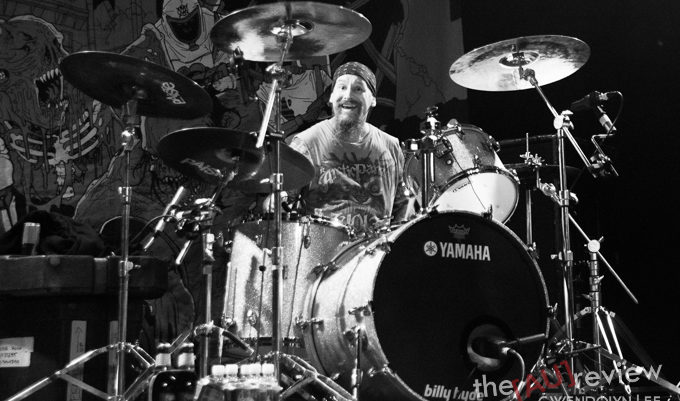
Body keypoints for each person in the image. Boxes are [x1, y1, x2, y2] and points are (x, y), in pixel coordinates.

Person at [279, 61, 414, 235]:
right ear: (331, 97)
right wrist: (274, 202)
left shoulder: (391, 145)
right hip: (323, 248)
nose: (348, 95)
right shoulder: (307, 142)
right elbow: (283, 201)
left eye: (358, 89)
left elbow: (403, 207)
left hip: (377, 248)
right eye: (342, 87)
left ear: (373, 100)